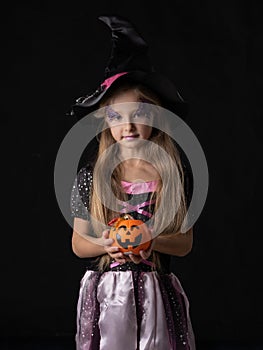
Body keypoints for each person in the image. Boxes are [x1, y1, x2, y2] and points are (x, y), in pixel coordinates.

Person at [69, 15, 196, 350]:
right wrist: (106, 244)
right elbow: (79, 245)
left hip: (156, 289)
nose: (128, 125)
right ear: (105, 122)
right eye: (116, 116)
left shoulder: (170, 175)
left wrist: (151, 237)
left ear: (154, 118)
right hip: (107, 292)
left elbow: (184, 244)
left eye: (139, 113)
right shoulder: (92, 177)